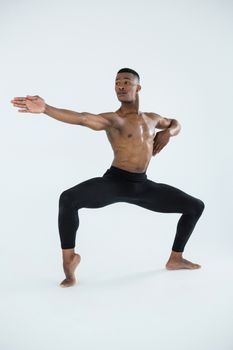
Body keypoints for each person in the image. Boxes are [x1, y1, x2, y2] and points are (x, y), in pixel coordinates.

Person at [11, 67, 205, 288]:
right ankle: (69, 261)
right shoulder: (114, 120)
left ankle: (175, 258)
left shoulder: (153, 119)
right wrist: (46, 108)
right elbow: (82, 118)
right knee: (68, 199)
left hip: (142, 186)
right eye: (117, 83)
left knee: (195, 206)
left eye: (126, 82)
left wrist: (168, 132)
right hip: (115, 182)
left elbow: (175, 123)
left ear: (138, 87)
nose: (120, 86)